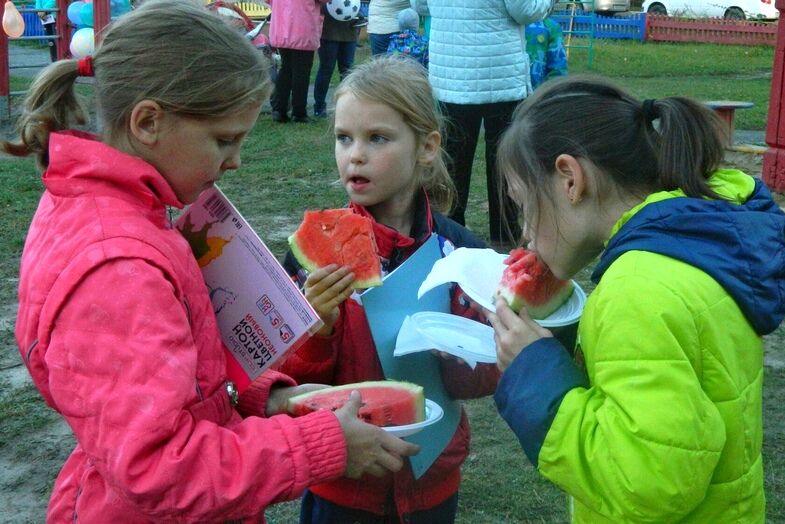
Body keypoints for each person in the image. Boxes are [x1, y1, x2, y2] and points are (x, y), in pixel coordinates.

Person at [1, 1, 417, 521]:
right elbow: (157, 467)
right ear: (149, 121)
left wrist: (264, 397)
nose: (236, 160)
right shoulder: (116, 268)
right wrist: (315, 446)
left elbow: (166, 378)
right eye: (224, 139)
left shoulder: (120, 209)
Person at [489, 76, 785, 522]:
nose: (524, 231)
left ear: (569, 179)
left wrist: (535, 377)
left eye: (522, 203)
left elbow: (650, 484)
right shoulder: (698, 246)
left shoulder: (635, 290)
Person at [279, 55, 501, 524]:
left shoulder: (460, 252)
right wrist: (317, 329)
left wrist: (461, 341)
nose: (354, 155)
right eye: (344, 138)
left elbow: (477, 382)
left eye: (377, 138)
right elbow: (292, 386)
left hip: (431, 477)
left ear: (426, 147)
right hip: (342, 480)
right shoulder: (310, 260)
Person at [411, 0, 551, 248]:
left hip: (450, 74)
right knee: (504, 159)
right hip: (499, 74)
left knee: (453, 162)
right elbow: (525, 10)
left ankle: (449, 233)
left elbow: (420, 5)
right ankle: (504, 233)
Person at [268, 0, 325, 123]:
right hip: (303, 27)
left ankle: (279, 110)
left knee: (285, 70)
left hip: (281, 27)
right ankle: (299, 112)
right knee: (301, 72)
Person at [313, 6, 360, 118]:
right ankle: (319, 106)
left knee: (347, 71)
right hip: (328, 32)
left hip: (350, 31)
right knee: (326, 69)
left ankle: (347, 106)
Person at [525, 18, 568, 90]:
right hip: (537, 95)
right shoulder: (550, 26)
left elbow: (557, 69)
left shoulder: (550, 26)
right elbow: (558, 70)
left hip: (537, 95)